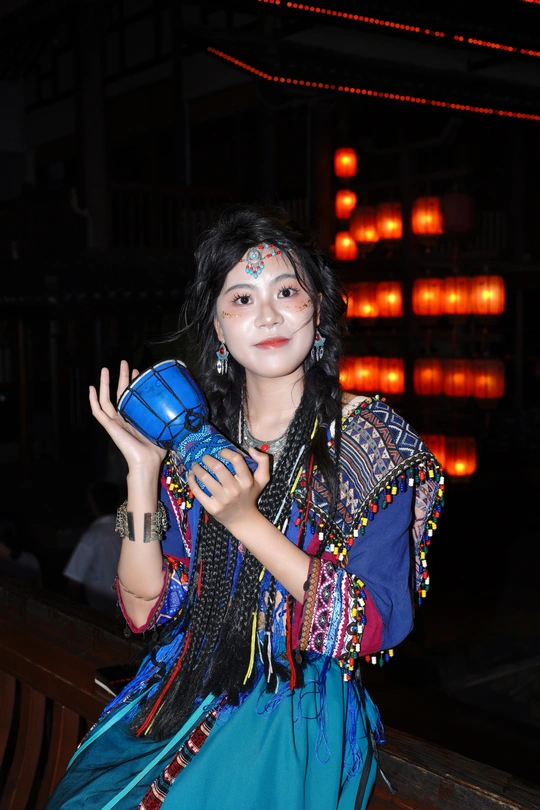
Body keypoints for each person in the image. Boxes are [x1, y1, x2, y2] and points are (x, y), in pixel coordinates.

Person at [45, 205, 444, 810]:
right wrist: (142, 473)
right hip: (183, 689)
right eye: (241, 299)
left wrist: (244, 522)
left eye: (287, 291)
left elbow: (372, 624)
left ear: (318, 309)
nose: (269, 315)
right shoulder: (199, 439)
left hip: (292, 714)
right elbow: (146, 608)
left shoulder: (371, 441)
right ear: (217, 326)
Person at [62, 481, 123, 615]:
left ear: (92, 504)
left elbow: (74, 582)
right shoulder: (129, 533)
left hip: (100, 614)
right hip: (128, 613)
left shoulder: (92, 537)